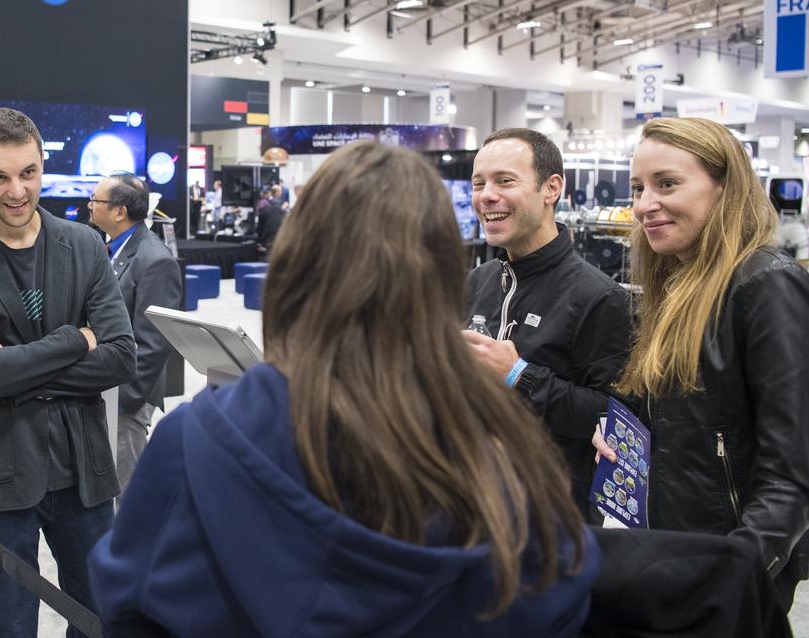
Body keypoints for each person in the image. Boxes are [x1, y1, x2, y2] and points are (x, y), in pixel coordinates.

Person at [88, 140, 598, 636]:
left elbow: (127, 599)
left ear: (294, 262)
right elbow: (560, 586)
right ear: (442, 276)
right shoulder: (500, 463)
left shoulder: (196, 438)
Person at [0, 107, 135, 638]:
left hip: (82, 467)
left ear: (42, 166)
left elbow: (120, 357)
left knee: (99, 615)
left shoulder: (84, 244)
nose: (17, 191)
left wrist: (9, 362)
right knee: (11, 623)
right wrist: (71, 339)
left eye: (28, 173)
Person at [593, 117, 809, 608]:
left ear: (724, 188)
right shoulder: (679, 283)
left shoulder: (767, 286)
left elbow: (791, 477)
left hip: (731, 562)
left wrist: (733, 572)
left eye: (667, 184)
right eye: (638, 188)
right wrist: (616, 432)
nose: (644, 204)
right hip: (677, 549)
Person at [463, 127, 631, 520]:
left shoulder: (599, 297)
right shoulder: (478, 281)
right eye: (479, 183)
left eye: (505, 181)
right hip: (473, 505)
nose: (487, 195)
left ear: (551, 188)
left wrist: (520, 375)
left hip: (552, 520)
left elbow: (616, 417)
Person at [86, 174, 182, 494]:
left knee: (127, 488)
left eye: (96, 200)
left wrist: (125, 400)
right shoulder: (110, 246)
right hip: (104, 383)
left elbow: (154, 343)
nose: (89, 205)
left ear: (119, 212)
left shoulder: (155, 260)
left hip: (127, 394)